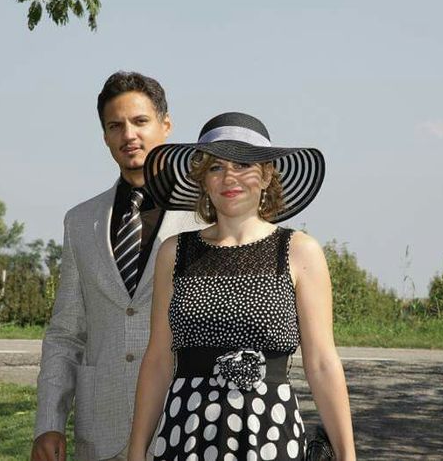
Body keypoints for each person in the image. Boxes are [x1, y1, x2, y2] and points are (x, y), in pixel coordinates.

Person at [128, 112, 356, 460]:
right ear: (203, 180)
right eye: (216, 167)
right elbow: (158, 359)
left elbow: (322, 363)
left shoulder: (299, 251)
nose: (229, 177)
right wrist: (136, 449)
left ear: (266, 175)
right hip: (186, 434)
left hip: (270, 435)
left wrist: (347, 455)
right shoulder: (173, 253)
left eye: (243, 165)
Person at [31, 71, 204, 461]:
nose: (129, 135)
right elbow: (65, 334)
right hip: (101, 431)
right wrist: (49, 422)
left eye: (140, 121)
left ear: (166, 124)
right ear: (105, 136)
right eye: (115, 125)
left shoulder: (205, 216)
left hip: (183, 426)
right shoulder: (80, 221)